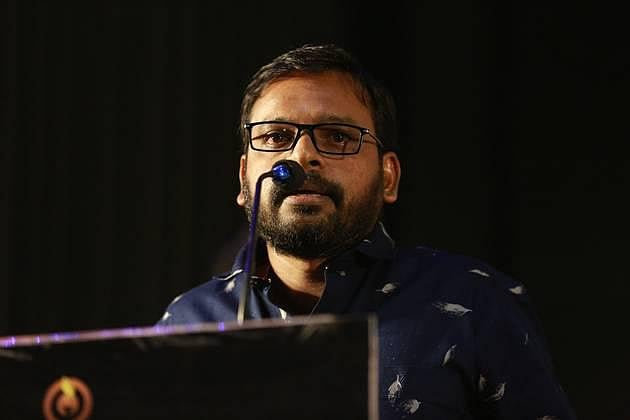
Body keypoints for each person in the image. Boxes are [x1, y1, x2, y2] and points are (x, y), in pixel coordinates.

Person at [157, 44, 576, 419]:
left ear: (388, 177)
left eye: (337, 137)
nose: (302, 155)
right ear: (244, 177)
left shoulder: (475, 302)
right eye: (276, 136)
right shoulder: (187, 324)